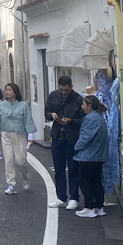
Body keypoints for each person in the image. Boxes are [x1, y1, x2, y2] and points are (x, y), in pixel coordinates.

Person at [44, 75, 84, 210]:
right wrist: (52, 115)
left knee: (73, 169)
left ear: (71, 87)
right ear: (58, 87)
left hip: (72, 138)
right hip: (57, 136)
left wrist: (71, 121)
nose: (64, 92)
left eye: (66, 90)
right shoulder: (53, 96)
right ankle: (61, 197)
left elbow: (83, 120)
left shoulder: (78, 99)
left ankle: (74, 198)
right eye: (62, 90)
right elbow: (47, 111)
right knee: (59, 169)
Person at [0, 82, 35, 195]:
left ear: (15, 92)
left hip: (19, 134)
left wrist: (30, 135)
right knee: (8, 160)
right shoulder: (1, 105)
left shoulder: (23, 105)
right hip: (6, 134)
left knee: (21, 161)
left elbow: (28, 120)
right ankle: (11, 184)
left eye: (10, 90)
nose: (7, 92)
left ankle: (26, 177)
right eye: (6, 90)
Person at [73, 95, 109, 218]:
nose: (82, 107)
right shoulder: (100, 118)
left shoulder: (90, 119)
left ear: (89, 106)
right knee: (97, 181)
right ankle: (99, 206)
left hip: (88, 156)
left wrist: (76, 147)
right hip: (99, 155)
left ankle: (89, 207)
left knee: (85, 182)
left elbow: (85, 137)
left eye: (83, 104)